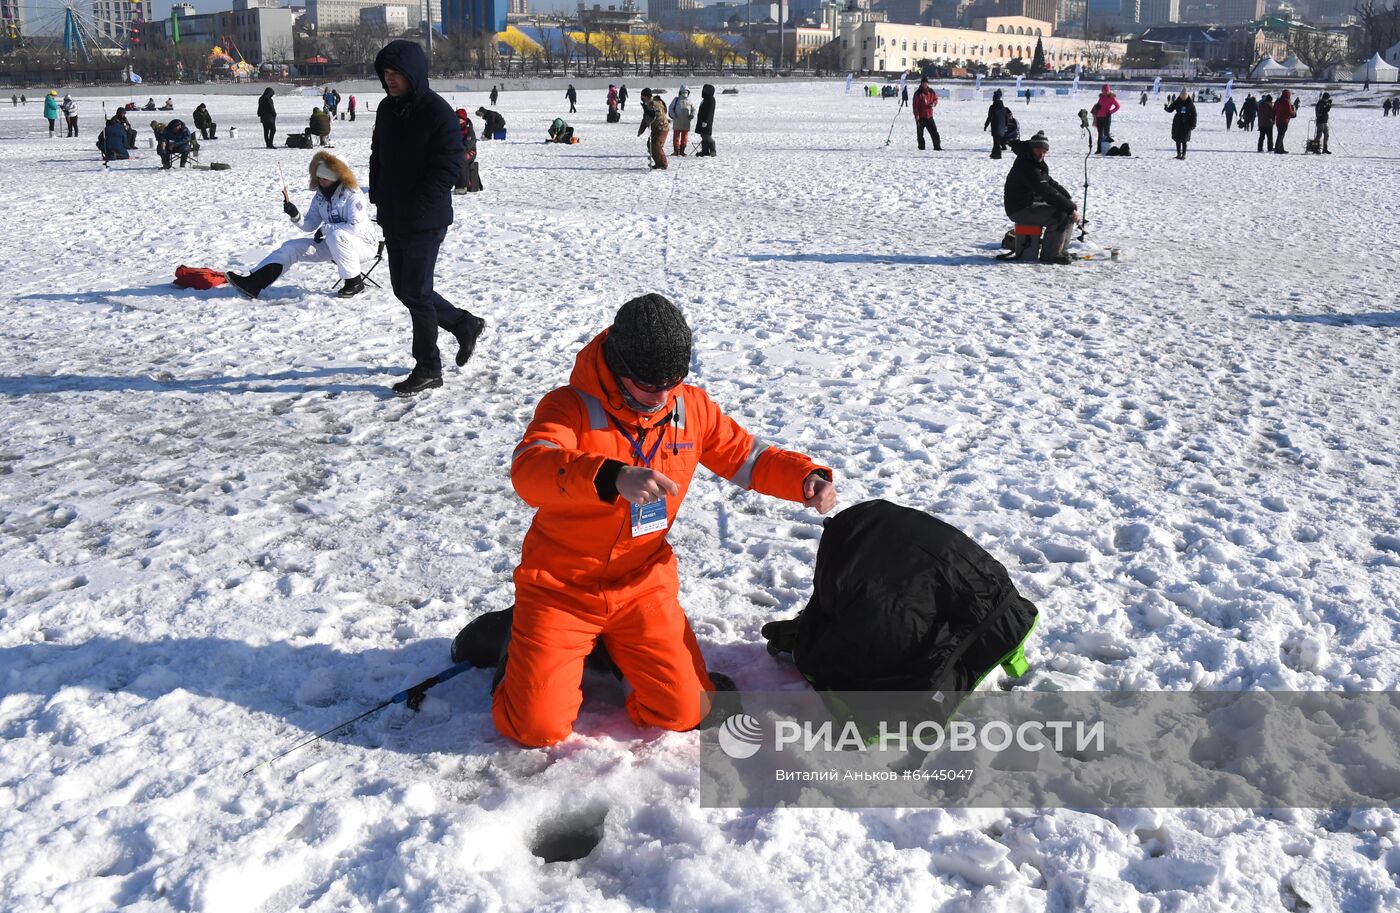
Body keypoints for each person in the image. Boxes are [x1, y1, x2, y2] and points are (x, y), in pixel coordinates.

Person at [491, 294, 837, 747]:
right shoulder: (568, 407)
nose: (660, 397)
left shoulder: (688, 406)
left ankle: (612, 652)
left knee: (686, 711)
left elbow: (745, 455)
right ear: (618, 367)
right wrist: (610, 475)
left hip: (642, 584)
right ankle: (514, 648)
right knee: (535, 729)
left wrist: (804, 477)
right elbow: (530, 469)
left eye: (671, 382)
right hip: (560, 587)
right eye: (648, 385)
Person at [371, 39, 486, 398]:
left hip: (425, 218)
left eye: (396, 73)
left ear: (413, 74)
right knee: (405, 290)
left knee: (417, 293)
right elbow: (379, 155)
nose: (390, 80)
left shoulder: (437, 112)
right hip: (393, 215)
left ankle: (428, 367)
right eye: (385, 73)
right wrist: (378, 195)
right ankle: (464, 324)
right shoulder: (386, 110)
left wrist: (417, 204)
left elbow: (450, 166)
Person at [226, 152, 376, 300]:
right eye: (319, 178)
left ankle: (354, 283)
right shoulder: (320, 196)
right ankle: (254, 283)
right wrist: (295, 215)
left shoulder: (353, 195)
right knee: (292, 247)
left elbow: (355, 227)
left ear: (337, 178)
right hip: (335, 244)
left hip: (364, 245)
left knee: (337, 235)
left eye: (325, 179)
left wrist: (326, 229)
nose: (321, 182)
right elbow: (310, 225)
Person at [1003, 131, 1080, 265]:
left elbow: (1050, 183)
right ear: (1032, 148)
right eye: (1039, 150)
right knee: (1059, 216)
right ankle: (1051, 255)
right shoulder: (1026, 165)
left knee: (1066, 213)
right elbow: (1045, 191)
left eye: (1044, 151)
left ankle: (1061, 251)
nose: (1042, 154)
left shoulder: (1034, 161)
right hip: (1020, 209)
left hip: (1030, 204)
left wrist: (1068, 199)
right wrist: (1069, 206)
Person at [638, 88, 670, 169]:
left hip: (661, 128)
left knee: (656, 145)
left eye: (642, 96)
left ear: (646, 96)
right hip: (655, 128)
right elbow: (645, 119)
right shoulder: (648, 105)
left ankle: (663, 164)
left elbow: (659, 117)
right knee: (650, 145)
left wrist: (650, 117)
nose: (641, 98)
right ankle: (658, 163)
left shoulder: (655, 104)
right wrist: (641, 130)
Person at [454, 109, 483, 193]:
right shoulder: (453, 128)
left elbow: (468, 145)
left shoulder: (469, 130)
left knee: (461, 158)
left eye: (461, 118)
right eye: (457, 117)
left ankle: (462, 186)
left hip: (470, 152)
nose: (459, 119)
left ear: (464, 118)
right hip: (455, 151)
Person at [1165, 89, 1196, 160]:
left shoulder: (1190, 103)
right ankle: (1178, 154)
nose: (1183, 98)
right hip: (1178, 122)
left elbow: (1194, 114)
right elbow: (1171, 109)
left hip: (1187, 123)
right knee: (1177, 139)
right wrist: (1166, 108)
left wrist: (1193, 124)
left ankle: (1184, 154)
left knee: (1184, 140)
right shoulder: (1178, 101)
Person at [912, 77, 941, 151]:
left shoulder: (931, 91)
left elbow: (935, 99)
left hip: (929, 116)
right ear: (921, 84)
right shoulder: (918, 93)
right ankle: (921, 147)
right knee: (920, 134)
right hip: (920, 117)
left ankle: (937, 146)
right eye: (923, 83)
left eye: (926, 83)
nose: (925, 84)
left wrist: (934, 104)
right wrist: (916, 115)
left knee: (934, 132)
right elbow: (915, 105)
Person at [1090, 84, 1119, 152]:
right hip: (1099, 117)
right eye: (1103, 91)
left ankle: (1106, 149)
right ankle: (1099, 150)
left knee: (1106, 133)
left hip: (1106, 117)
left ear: (1109, 91)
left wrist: (1111, 111)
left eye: (1106, 91)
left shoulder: (1112, 98)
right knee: (1100, 134)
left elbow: (1118, 106)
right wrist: (1097, 109)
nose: (1105, 92)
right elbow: (1098, 105)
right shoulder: (1101, 97)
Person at [668, 85, 695, 156]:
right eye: (683, 92)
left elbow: (694, 109)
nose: (685, 93)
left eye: (686, 92)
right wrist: (673, 115)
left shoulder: (690, 100)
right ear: (680, 92)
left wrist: (692, 115)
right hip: (677, 121)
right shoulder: (676, 100)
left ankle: (682, 151)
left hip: (686, 122)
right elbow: (671, 108)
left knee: (684, 137)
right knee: (676, 137)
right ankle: (676, 151)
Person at [984, 88, 1009, 159]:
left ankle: (997, 155)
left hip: (995, 126)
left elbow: (990, 117)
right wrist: (1006, 126)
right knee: (997, 141)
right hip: (1002, 127)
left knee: (996, 141)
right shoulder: (1003, 108)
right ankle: (994, 153)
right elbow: (1006, 118)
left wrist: (986, 125)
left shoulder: (992, 107)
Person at [694, 84, 716, 157]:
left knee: (707, 135)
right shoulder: (705, 99)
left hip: (707, 121)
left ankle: (713, 150)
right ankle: (705, 151)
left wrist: (706, 121)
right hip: (702, 120)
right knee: (703, 134)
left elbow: (709, 112)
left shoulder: (711, 100)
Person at [1273, 89, 1295, 154]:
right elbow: (1289, 112)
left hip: (1278, 120)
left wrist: (1273, 118)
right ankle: (1277, 149)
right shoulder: (1287, 101)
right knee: (1281, 135)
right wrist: (1294, 113)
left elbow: (1274, 110)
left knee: (1280, 134)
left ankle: (1280, 148)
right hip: (1284, 120)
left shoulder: (1278, 101)